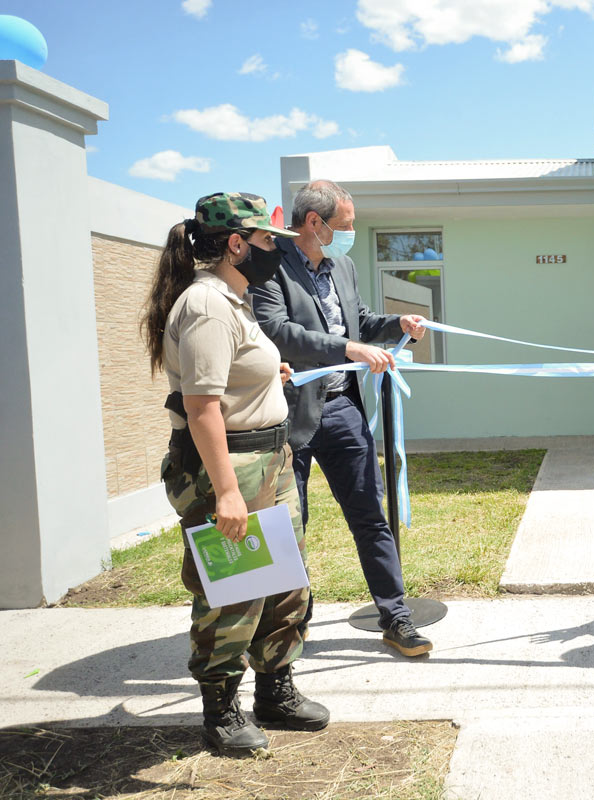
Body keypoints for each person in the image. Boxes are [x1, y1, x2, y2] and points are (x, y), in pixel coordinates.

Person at [142, 192, 329, 756]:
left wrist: (271, 376)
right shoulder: (205, 305)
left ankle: (276, 691)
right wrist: (226, 492)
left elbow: (233, 376)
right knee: (235, 592)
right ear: (235, 243)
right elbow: (201, 407)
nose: (276, 251)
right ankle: (221, 711)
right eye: (269, 240)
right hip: (234, 468)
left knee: (284, 585)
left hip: (271, 461)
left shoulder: (235, 298)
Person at [250, 179, 432, 657]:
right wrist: (348, 347)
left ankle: (396, 618)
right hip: (288, 415)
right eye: (346, 225)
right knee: (292, 524)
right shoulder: (269, 268)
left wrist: (398, 325)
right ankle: (291, 623)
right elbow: (277, 332)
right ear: (315, 223)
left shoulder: (343, 266)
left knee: (370, 516)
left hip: (343, 409)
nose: (351, 232)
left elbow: (358, 322)